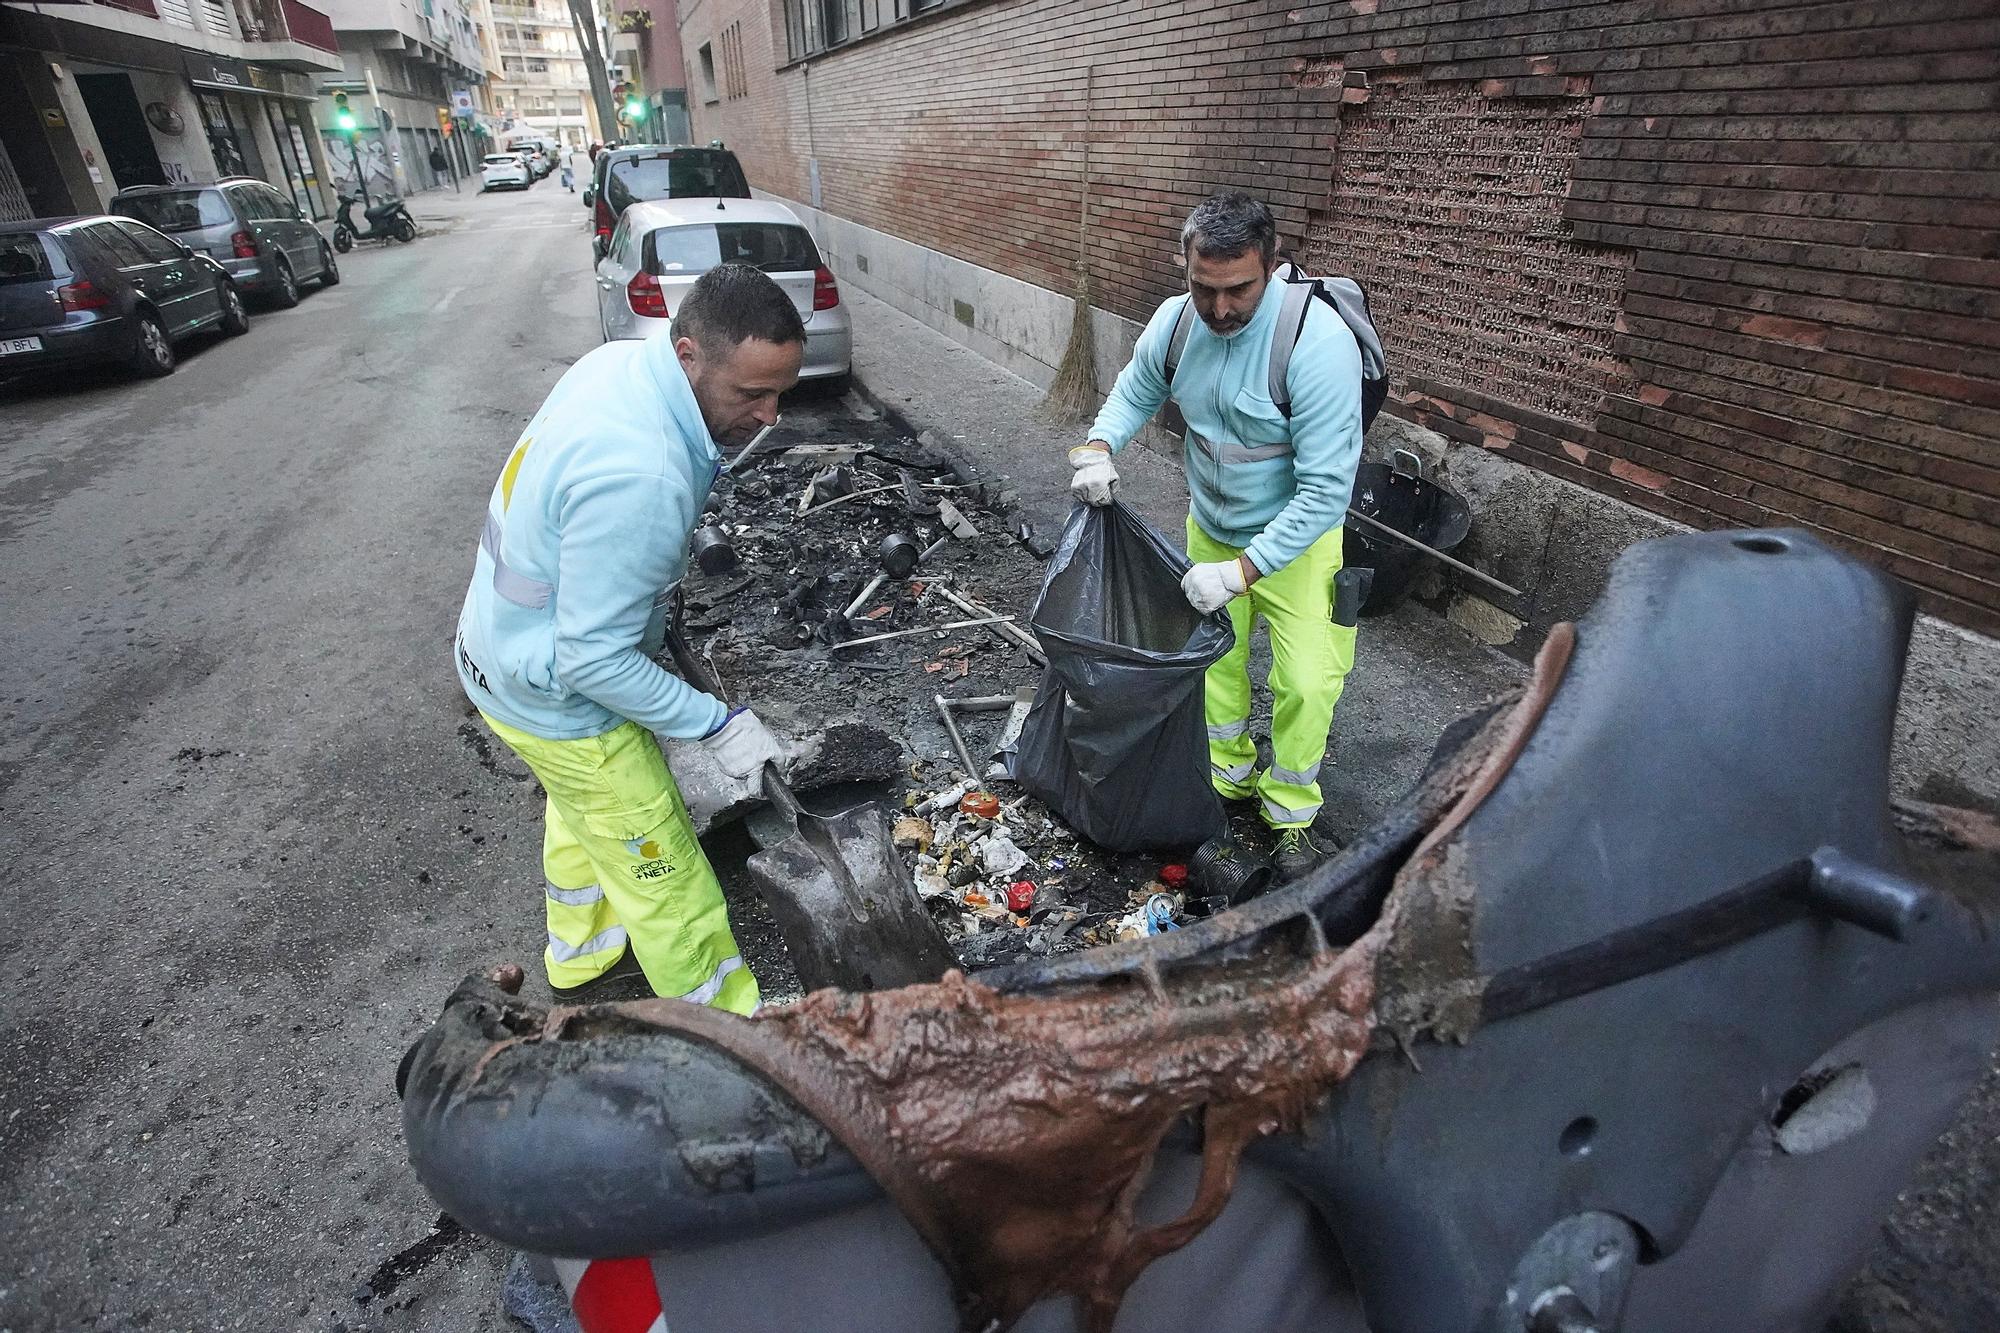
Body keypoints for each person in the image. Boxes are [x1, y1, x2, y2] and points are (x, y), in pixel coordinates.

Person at [454, 264, 806, 1011]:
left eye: (781, 391)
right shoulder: (643, 472)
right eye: (751, 394)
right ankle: (731, 1033)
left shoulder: (618, 364)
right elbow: (593, 660)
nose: (771, 416)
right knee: (665, 870)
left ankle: (584, 962)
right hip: (556, 692)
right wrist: (715, 723)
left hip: (498, 647)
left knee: (583, 812)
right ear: (689, 355)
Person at [1069, 193, 1363, 881]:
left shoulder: (1316, 345)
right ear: (1186, 268)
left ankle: (1290, 814)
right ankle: (1225, 780)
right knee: (1213, 669)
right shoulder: (1177, 325)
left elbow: (1325, 491)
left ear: (1272, 265)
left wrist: (1242, 572)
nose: (1221, 309)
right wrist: (1098, 446)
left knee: (1308, 682)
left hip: (1297, 544)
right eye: (1205, 288)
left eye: (1239, 291)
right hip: (1213, 528)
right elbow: (1137, 386)